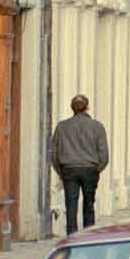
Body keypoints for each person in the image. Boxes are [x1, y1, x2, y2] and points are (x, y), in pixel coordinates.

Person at [50, 94, 110, 235]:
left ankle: (72, 236)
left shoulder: (62, 127)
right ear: (87, 108)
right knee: (89, 205)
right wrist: (97, 169)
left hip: (69, 169)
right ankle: (89, 235)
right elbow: (104, 154)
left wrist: (60, 171)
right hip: (90, 169)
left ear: (72, 108)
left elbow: (54, 153)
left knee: (71, 205)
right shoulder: (97, 126)